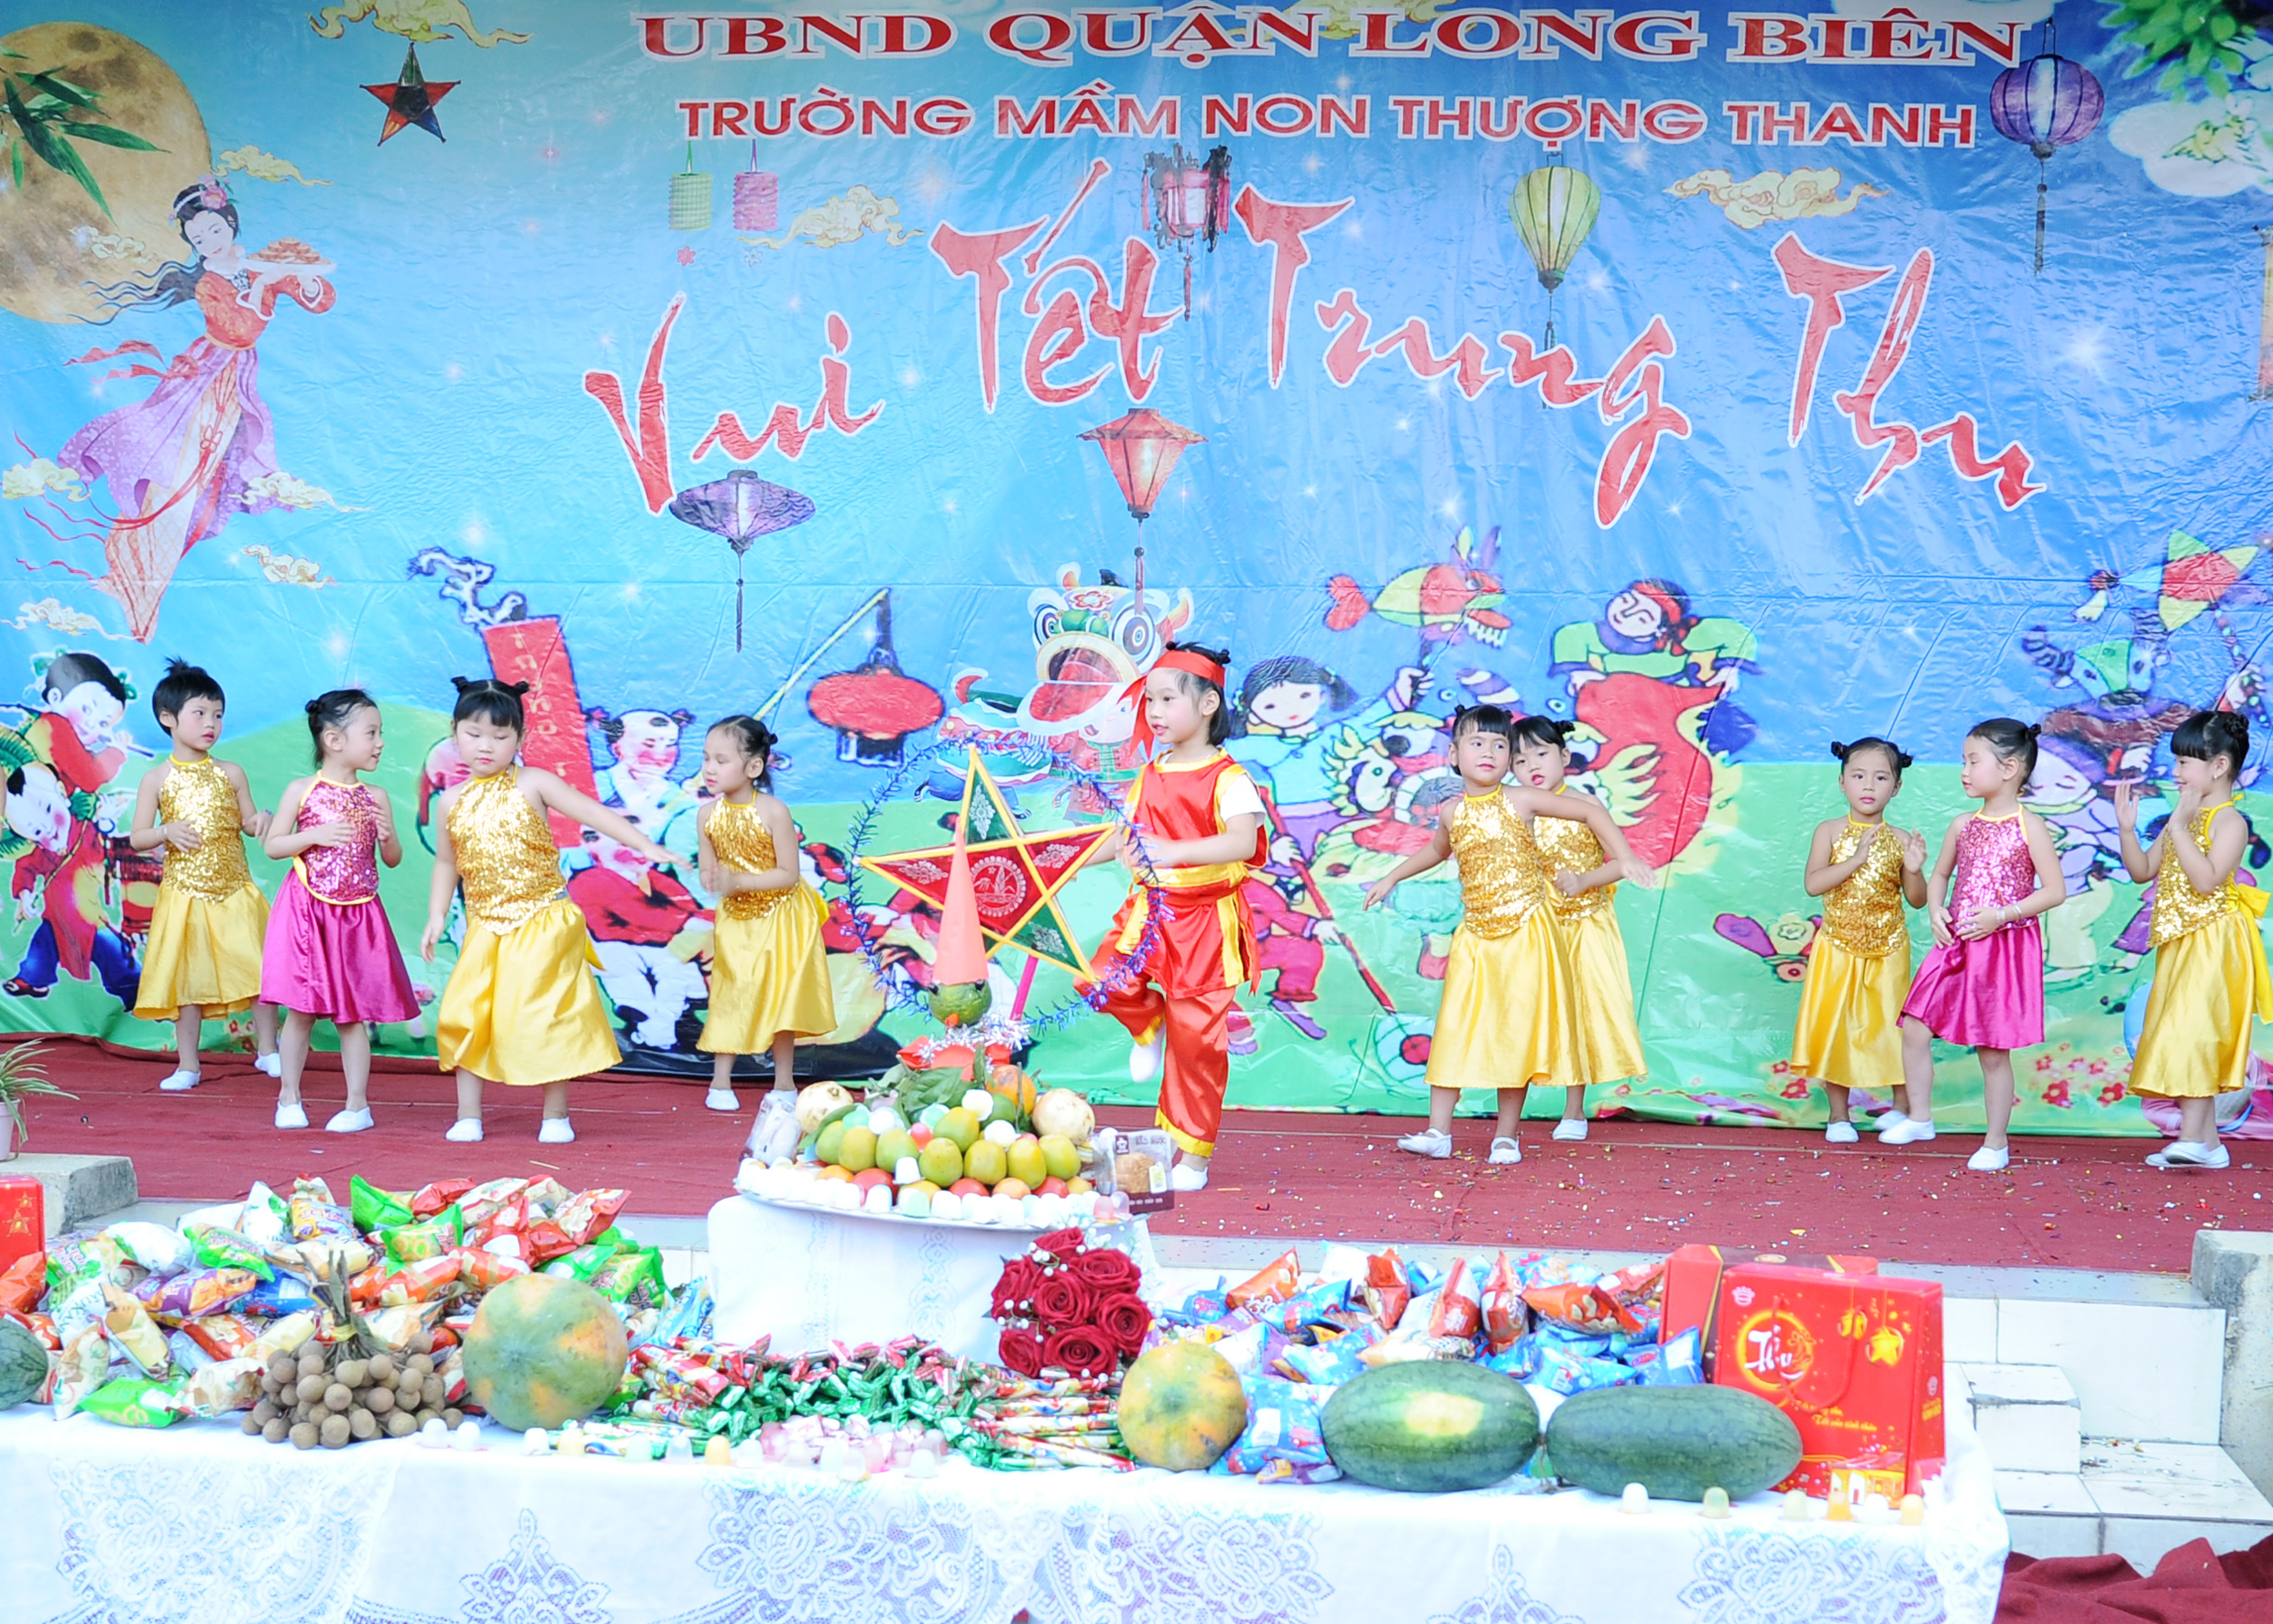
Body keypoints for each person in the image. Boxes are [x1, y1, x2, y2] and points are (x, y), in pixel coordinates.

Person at [1367, 705, 1646, 1165]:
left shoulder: (1522, 800)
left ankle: (1506, 1137)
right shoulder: (1452, 811)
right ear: (1454, 755)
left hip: (1527, 932)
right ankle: (1438, 1131)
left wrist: (1625, 857)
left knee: (1515, 1027)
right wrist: (1392, 877)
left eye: (1500, 745)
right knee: (1455, 1024)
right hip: (1476, 935)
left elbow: (1590, 814)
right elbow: (1436, 851)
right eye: (1477, 743)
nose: (1489, 752)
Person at [419, 677, 675, 1144]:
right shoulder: (451, 801)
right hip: (485, 924)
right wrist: (437, 914)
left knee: (548, 1013)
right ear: (455, 732)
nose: (485, 746)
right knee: (467, 1012)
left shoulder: (534, 782)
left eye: (500, 736)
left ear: (520, 737)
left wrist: (644, 845)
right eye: (474, 734)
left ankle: (555, 1115)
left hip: (542, 920)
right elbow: (445, 862)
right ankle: (468, 1114)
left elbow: (592, 813)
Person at [1080, 643, 1266, 1191]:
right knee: (1099, 978)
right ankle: (1148, 1023)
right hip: (1148, 913)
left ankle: (1192, 1159)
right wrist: (1058, 863)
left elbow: (1242, 841)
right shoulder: (1149, 774)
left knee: (1197, 1045)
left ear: (1208, 704)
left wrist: (1174, 851)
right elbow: (1121, 838)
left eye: (1167, 699)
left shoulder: (1229, 778)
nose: (1155, 712)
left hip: (1206, 923)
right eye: (1150, 701)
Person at [1885, 719, 2067, 1171]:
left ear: (2009, 768)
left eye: (1972, 761)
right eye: (1963, 761)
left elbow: (2054, 891)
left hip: (2002, 948)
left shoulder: (2030, 827)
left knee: (1992, 1050)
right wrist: (1935, 911)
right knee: (1915, 1026)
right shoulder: (1963, 825)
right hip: (1956, 943)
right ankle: (1920, 1117)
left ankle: (1995, 1143)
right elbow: (1941, 875)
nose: (1964, 771)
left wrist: (2001, 916)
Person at [2114, 710, 2269, 1170]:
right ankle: (2207, 1143)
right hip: (2181, 942)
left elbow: (2206, 881)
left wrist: (2180, 827)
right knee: (2177, 1030)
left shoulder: (2229, 822)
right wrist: (2127, 829)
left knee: (2193, 1032)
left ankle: (2194, 1139)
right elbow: (2143, 870)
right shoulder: (2181, 819)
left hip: (2216, 941)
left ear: (2219, 766)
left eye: (2184, 762)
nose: (2176, 772)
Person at [259, 690, 418, 1133]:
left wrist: (388, 838)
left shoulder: (376, 796)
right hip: (308, 911)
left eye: (380, 733)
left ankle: (357, 1105)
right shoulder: (302, 790)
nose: (380, 743)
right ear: (333, 739)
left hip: (357, 914)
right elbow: (274, 845)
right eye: (372, 733)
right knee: (301, 1009)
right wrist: (315, 836)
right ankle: (289, 1097)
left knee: (353, 1014)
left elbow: (392, 860)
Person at [127, 660, 280, 1089]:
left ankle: (268, 1050)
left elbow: (247, 821)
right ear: (168, 718)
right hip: (184, 893)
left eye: (217, 714)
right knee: (188, 981)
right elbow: (138, 836)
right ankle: (188, 1065)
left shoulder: (231, 773)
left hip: (235, 889)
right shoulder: (157, 779)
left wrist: (262, 821)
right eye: (200, 713)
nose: (211, 723)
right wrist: (165, 831)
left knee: (259, 970)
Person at [1511, 715, 1653, 1139]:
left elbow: (1620, 863)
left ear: (1564, 756)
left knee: (1577, 1012)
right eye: (1520, 760)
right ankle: (1508, 1117)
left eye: (1541, 754)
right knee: (1524, 1011)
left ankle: (1573, 1111)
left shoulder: (1586, 806)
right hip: (1532, 927)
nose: (1532, 766)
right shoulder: (1513, 808)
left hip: (1582, 924)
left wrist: (1584, 881)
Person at [696, 716, 836, 1137]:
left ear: (754, 767)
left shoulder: (773, 811)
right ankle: (720, 1081)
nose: (709, 768)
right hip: (737, 919)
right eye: (706, 758)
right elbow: (709, 872)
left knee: (781, 995)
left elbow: (788, 874)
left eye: (721, 760)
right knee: (730, 991)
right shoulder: (706, 815)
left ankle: (784, 1084)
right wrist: (714, 879)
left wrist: (738, 880)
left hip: (783, 916)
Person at [1789, 738, 1928, 1143]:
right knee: (1838, 1026)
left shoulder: (1900, 839)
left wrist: (1914, 869)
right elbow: (1814, 884)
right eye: (1859, 776)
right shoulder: (1829, 831)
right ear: (1842, 782)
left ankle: (1902, 1107)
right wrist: (1855, 860)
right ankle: (1839, 1116)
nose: (1869, 785)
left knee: (1893, 1026)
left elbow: (1917, 900)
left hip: (1889, 948)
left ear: (1896, 787)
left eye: (1881, 778)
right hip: (1837, 946)